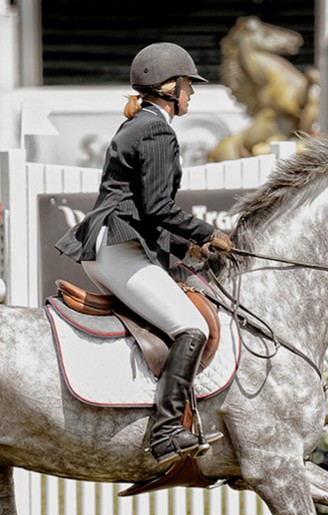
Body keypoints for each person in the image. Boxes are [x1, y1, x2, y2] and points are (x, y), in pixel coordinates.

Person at [55, 42, 234, 467]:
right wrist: (208, 232)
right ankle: (166, 430)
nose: (192, 93)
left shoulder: (139, 125)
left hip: (114, 245)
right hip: (119, 249)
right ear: (170, 88)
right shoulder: (156, 130)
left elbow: (141, 207)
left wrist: (186, 245)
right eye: (188, 84)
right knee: (192, 327)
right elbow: (157, 207)